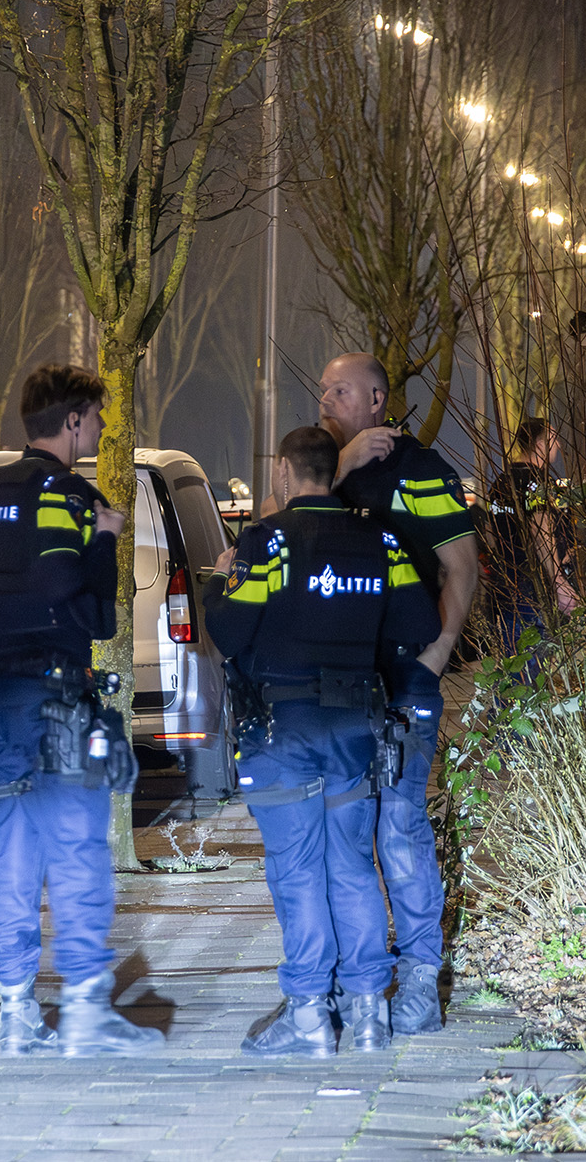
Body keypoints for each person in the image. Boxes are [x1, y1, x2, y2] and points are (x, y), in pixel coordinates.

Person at [0, 363, 164, 1058]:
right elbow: (73, 589)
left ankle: (16, 1007)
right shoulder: (66, 493)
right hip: (54, 693)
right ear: (73, 420)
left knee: (11, 846)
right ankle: (84, 1007)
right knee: (77, 844)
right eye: (97, 418)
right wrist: (105, 532)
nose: (102, 428)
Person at [200, 426, 410, 1057]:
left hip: (282, 732)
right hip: (354, 731)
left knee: (297, 873)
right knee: (352, 867)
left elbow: (231, 635)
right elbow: (417, 623)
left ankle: (311, 1016)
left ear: (286, 473)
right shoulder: (380, 540)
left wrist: (219, 583)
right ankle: (370, 1012)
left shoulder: (267, 542)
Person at [318, 352, 479, 1036]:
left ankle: (418, 976)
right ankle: (356, 983)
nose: (326, 399)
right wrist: (343, 465)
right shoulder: (322, 468)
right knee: (344, 834)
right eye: (323, 389)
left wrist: (435, 657)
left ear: (378, 398)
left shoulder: (423, 471)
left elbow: (462, 567)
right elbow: (279, 535)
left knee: (401, 829)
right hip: (335, 683)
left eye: (342, 390)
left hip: (403, 676)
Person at [480, 417, 575, 656]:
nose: (559, 446)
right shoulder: (538, 482)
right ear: (540, 443)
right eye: (554, 440)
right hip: (535, 589)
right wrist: (558, 581)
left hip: (507, 586)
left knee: (515, 660)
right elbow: (540, 526)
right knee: (536, 665)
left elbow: (492, 531)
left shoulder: (501, 483)